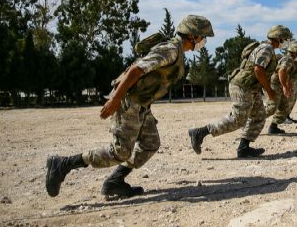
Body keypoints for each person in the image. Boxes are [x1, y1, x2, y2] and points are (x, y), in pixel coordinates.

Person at [45, 15, 214, 199]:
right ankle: (63, 163)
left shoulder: (176, 51)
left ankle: (115, 182)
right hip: (129, 100)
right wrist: (115, 99)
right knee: (120, 151)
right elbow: (136, 70)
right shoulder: (171, 50)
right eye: (202, 37)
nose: (203, 42)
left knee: (150, 144)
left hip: (141, 103)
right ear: (193, 36)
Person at [188, 25, 293, 158]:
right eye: (285, 39)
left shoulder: (267, 48)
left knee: (259, 116)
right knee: (238, 119)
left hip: (250, 88)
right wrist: (270, 91)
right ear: (279, 38)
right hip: (242, 86)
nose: (286, 42)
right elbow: (258, 69)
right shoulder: (266, 48)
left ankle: (244, 148)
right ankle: (200, 132)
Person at [269, 40, 297, 132]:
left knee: (284, 107)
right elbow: (282, 71)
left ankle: (273, 127)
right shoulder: (288, 59)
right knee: (271, 108)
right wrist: (285, 86)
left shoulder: (292, 60)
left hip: (279, 84)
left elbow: (288, 74)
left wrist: (286, 85)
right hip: (275, 84)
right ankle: (251, 118)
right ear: (295, 51)